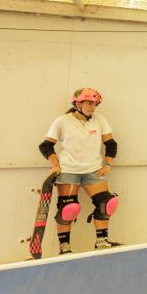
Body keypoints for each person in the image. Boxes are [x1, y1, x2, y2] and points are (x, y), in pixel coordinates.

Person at [38, 87, 121, 254]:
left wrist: (108, 164)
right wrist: (55, 165)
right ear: (77, 103)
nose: (93, 107)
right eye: (89, 103)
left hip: (94, 170)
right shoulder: (62, 121)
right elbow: (45, 145)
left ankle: (102, 241)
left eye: (95, 104)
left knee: (107, 203)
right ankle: (64, 247)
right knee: (68, 209)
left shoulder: (99, 120)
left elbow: (111, 144)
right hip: (69, 171)